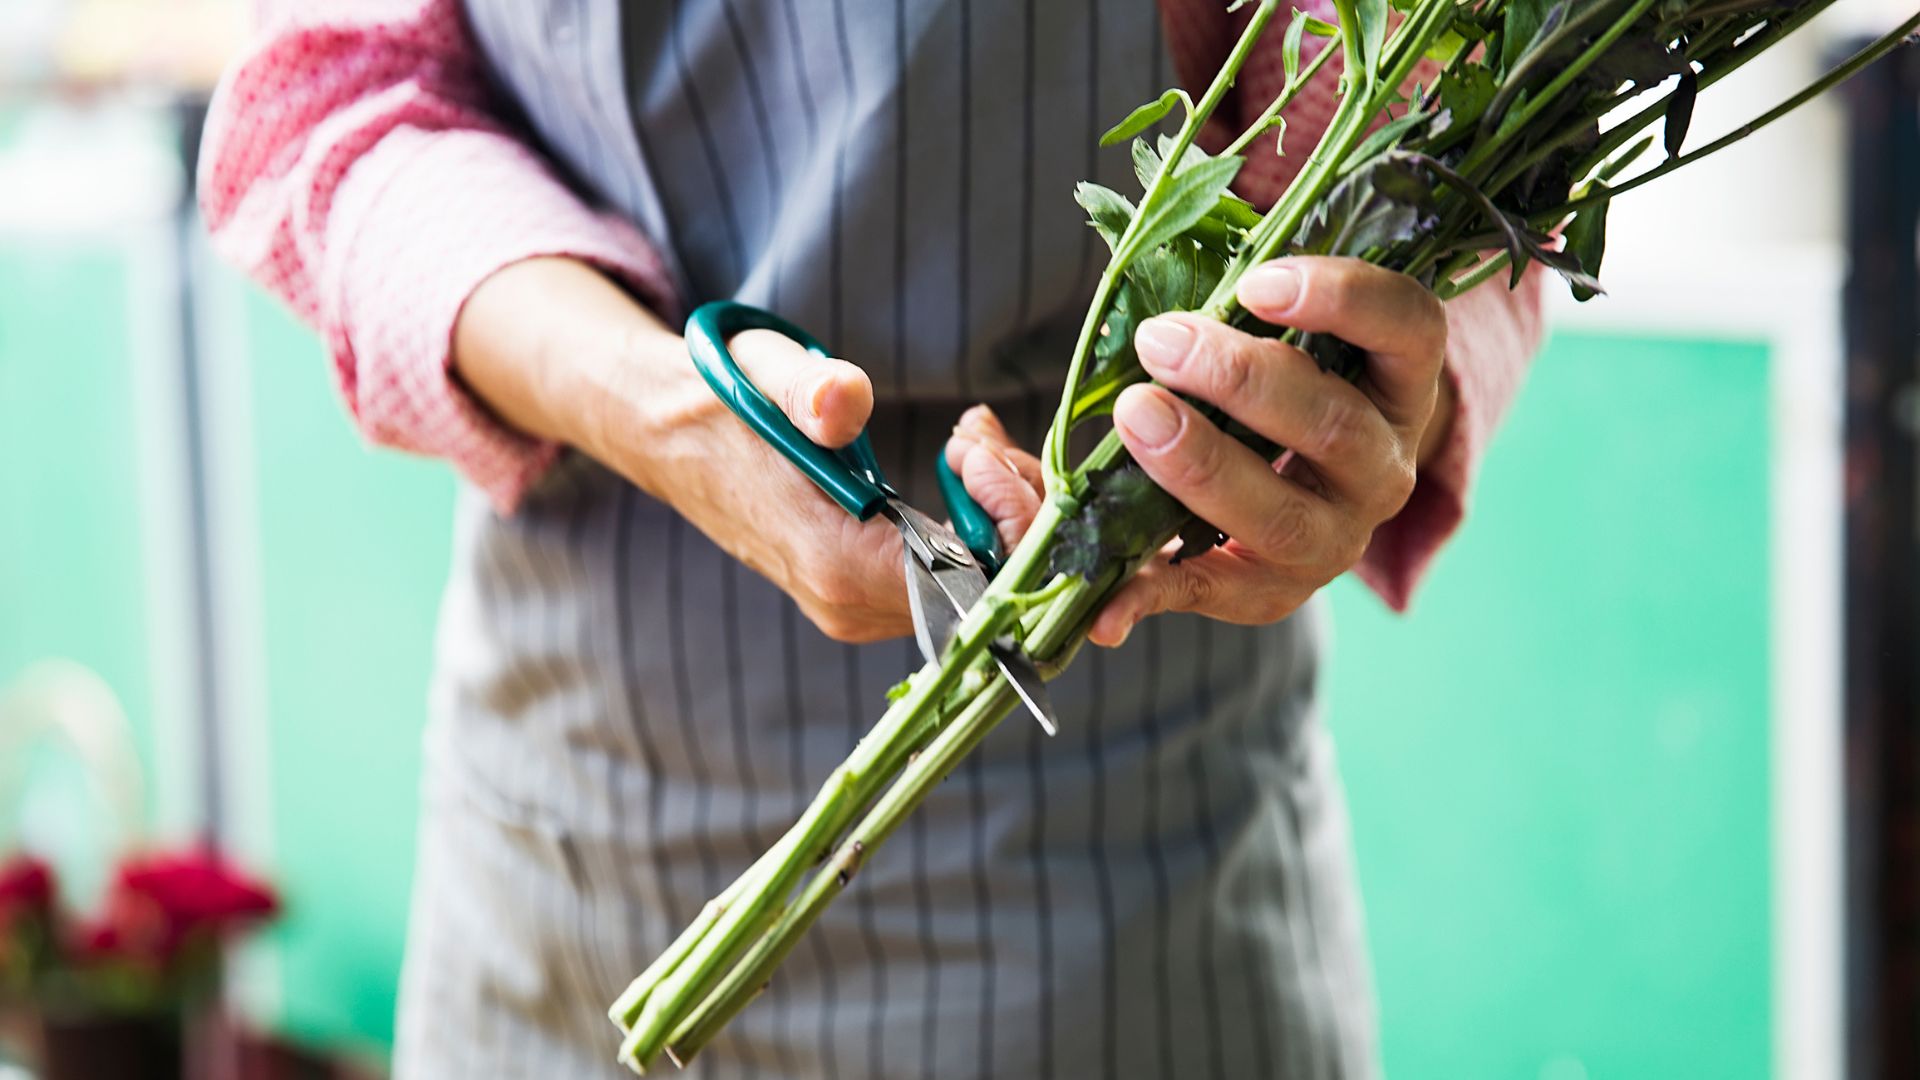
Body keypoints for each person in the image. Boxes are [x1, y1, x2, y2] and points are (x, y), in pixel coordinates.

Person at [202, 2, 1543, 1076]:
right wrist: (657, 404)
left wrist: (1357, 394)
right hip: (563, 868)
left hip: (1127, 900)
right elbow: (335, 98)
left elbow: (1445, 128)